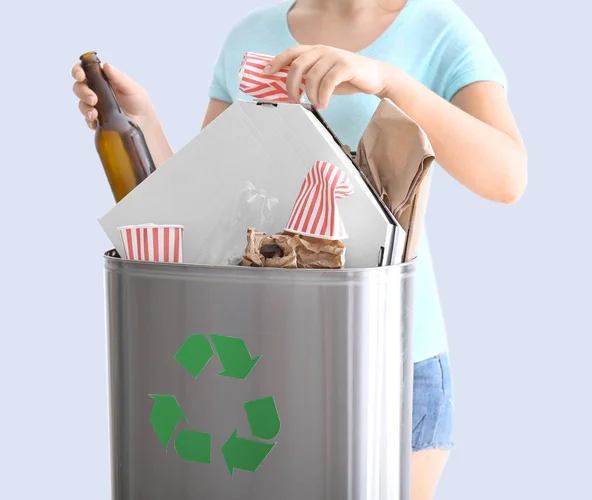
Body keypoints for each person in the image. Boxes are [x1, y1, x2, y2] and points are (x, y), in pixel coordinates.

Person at [72, 0, 527, 497]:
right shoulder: (252, 33)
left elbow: (507, 178)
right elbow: (210, 203)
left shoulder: (436, 28)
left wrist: (390, 82)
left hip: (389, 360)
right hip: (255, 359)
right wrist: (144, 125)